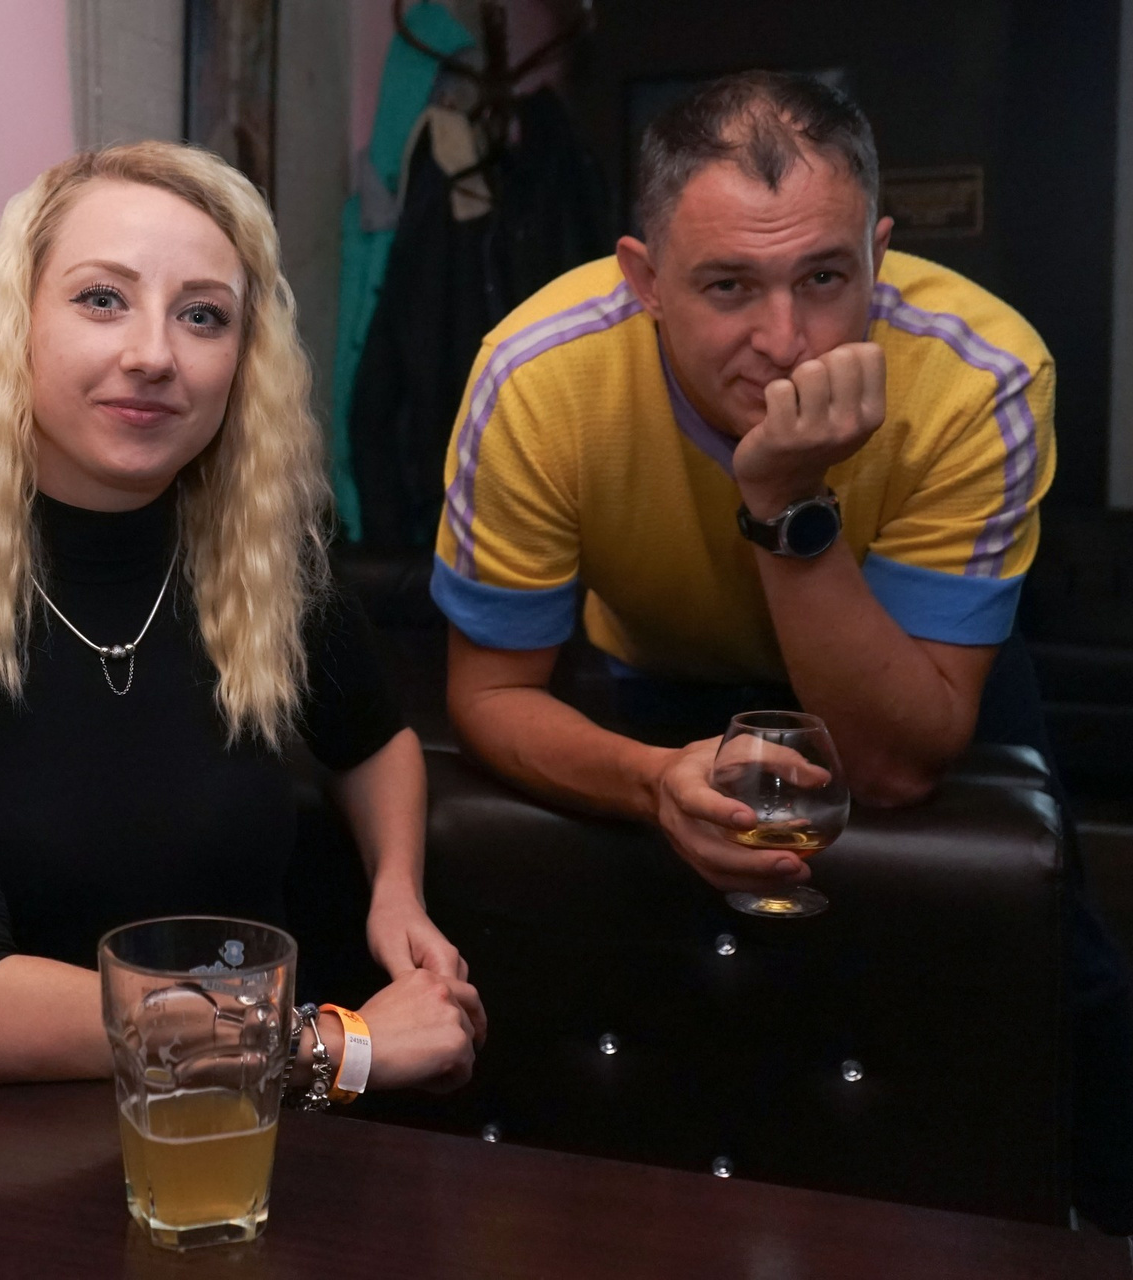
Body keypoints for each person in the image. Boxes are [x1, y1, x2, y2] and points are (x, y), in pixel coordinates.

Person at [435, 70, 1130, 1231]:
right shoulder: (537, 375)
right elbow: (491, 691)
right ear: (643, 281)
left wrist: (788, 502)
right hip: (661, 669)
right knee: (664, 970)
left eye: (824, 277)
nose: (785, 340)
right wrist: (651, 778)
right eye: (727, 286)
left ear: (879, 255)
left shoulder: (982, 371)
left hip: (910, 660)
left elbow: (894, 762)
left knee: (1054, 966)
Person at [0, 141, 485, 1093]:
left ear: (242, 363)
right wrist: (326, 1046)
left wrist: (396, 892)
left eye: (203, 315)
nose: (153, 355)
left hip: (242, 1138)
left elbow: (375, 742)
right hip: (21, 1148)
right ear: (16, 328)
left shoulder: (271, 576)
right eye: (102, 299)